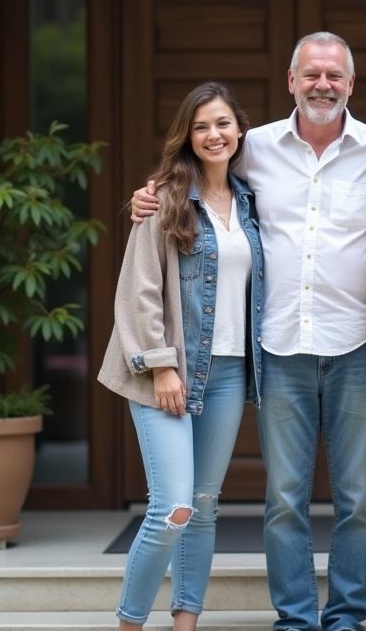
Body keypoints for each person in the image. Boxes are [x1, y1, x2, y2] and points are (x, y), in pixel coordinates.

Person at [131, 33, 366, 631]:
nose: (323, 85)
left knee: (358, 499)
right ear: (291, 81)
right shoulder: (254, 146)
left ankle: (345, 616)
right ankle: (294, 617)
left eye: (334, 76)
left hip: (358, 348)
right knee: (284, 497)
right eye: (311, 74)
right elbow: (202, 173)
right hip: (278, 347)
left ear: (350, 84)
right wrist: (152, 195)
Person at [99, 82, 264, 631]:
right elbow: (139, 290)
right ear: (187, 137)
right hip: (165, 373)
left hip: (229, 372)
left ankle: (186, 624)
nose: (213, 135)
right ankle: (129, 624)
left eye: (222, 123)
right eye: (201, 126)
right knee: (171, 508)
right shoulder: (164, 199)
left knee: (203, 505)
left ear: (240, 130)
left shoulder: (251, 201)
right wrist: (162, 366)